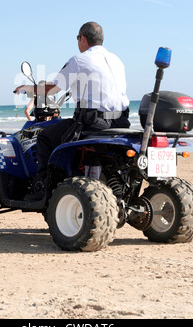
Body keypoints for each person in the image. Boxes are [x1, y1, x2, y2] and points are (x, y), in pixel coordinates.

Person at [15, 21, 130, 200]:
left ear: (83, 39)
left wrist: (26, 88)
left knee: (45, 138)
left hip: (94, 124)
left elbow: (51, 89)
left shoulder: (79, 60)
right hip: (122, 122)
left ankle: (42, 190)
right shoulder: (117, 60)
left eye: (78, 38)